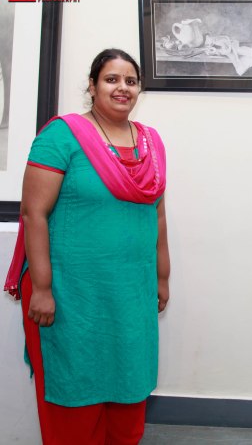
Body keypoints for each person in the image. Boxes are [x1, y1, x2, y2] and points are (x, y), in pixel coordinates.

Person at [3, 48, 169, 444]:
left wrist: (162, 277)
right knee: (74, 391)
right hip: (71, 294)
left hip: (131, 293)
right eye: (111, 79)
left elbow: (158, 215)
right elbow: (34, 213)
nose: (122, 88)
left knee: (128, 383)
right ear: (92, 86)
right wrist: (42, 288)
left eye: (131, 81)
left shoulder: (151, 143)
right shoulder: (62, 135)